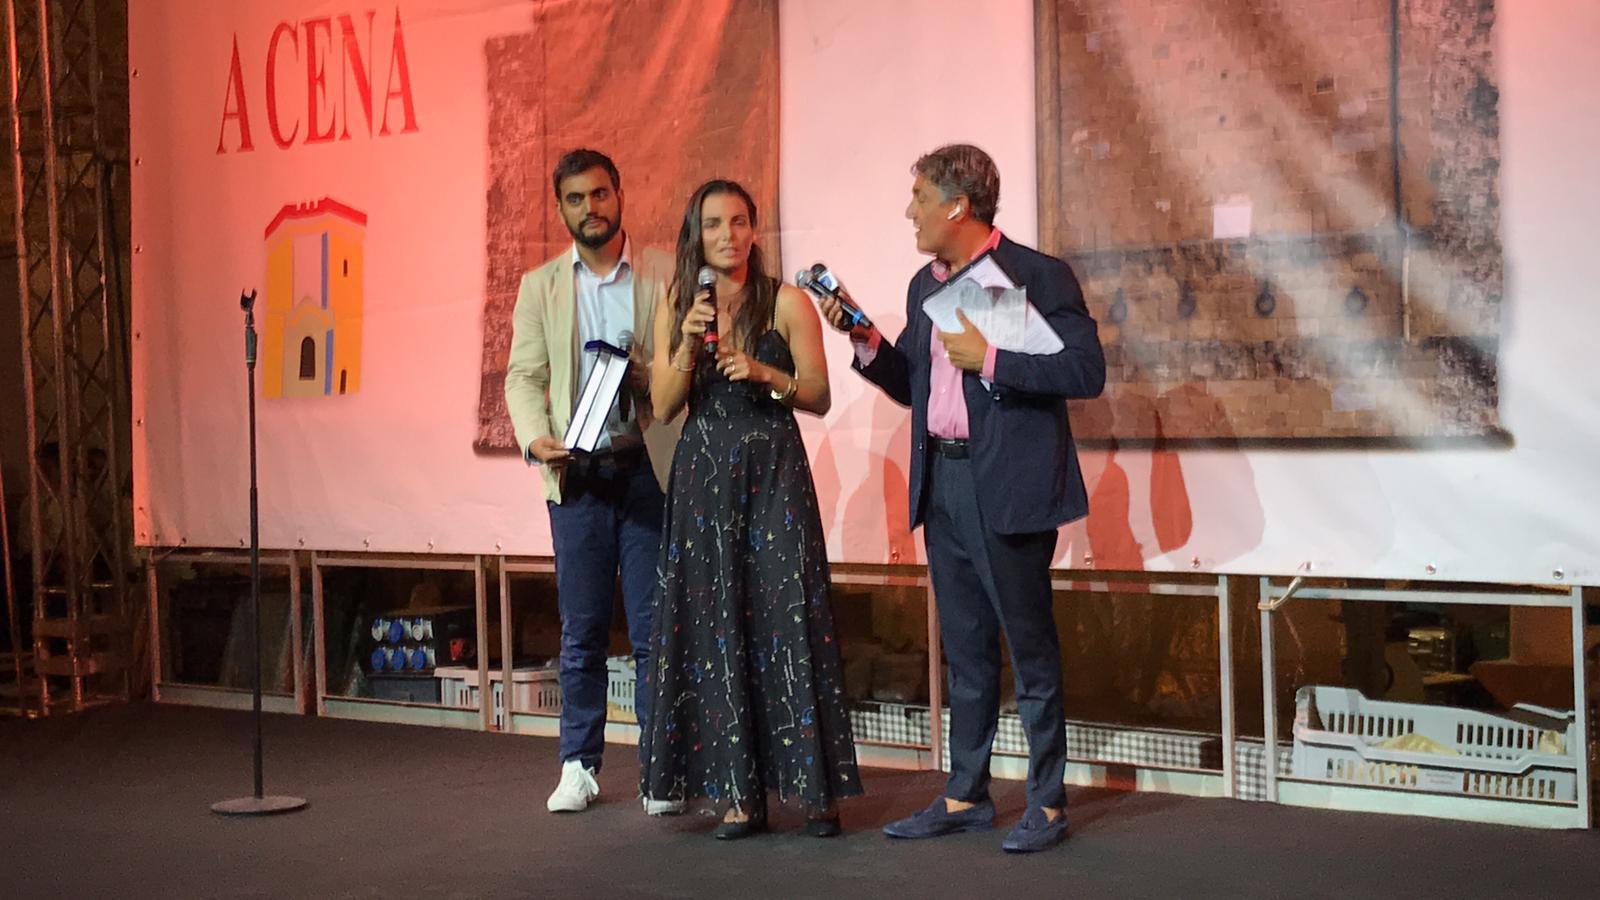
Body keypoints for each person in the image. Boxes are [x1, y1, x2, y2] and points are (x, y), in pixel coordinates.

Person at [820, 144, 1105, 853]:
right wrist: (865, 338)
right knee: (966, 650)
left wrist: (996, 360)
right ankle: (965, 793)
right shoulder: (926, 284)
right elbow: (915, 385)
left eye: (919, 197)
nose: (908, 212)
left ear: (958, 205)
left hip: (1005, 483)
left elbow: (1085, 370)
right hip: (942, 481)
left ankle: (1047, 802)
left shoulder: (1036, 275)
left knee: (1029, 648)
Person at [640, 179, 861, 840]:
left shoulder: (787, 301)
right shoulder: (680, 303)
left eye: (738, 222)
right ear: (696, 234)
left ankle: (814, 792)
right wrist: (687, 343)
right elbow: (664, 405)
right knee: (716, 627)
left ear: (753, 229)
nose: (727, 235)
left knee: (788, 615)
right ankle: (739, 794)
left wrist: (766, 375)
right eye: (713, 224)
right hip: (704, 480)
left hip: (773, 475)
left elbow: (818, 395)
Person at [503, 148, 679, 815]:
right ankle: (578, 766)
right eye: (575, 199)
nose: (590, 208)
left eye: (599, 194)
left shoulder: (662, 273)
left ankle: (661, 771)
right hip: (576, 477)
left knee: (655, 631)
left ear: (620, 196)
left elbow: (683, 366)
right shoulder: (541, 286)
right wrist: (533, 438)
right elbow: (523, 377)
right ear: (560, 209)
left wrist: (646, 375)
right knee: (581, 632)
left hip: (646, 472)